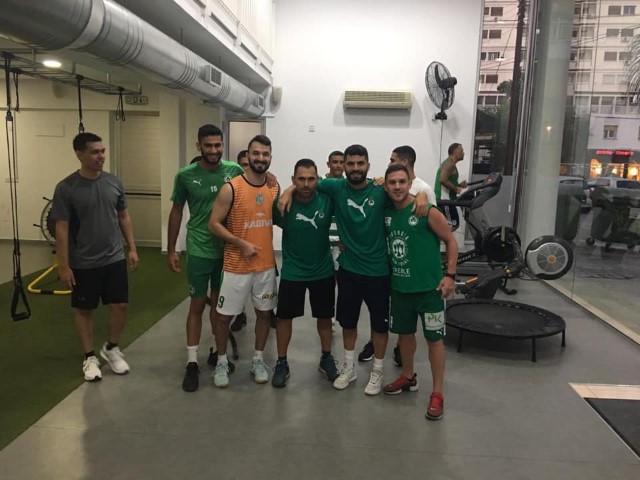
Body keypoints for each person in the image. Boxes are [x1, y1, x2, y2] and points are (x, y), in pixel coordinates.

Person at [279, 144, 429, 396]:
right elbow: (307, 183)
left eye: (360, 163)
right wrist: (288, 191)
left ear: (368, 165)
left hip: (378, 272)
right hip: (348, 270)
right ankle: (349, 368)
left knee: (379, 327)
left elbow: (405, 194)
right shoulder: (335, 186)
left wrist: (422, 195)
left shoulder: (380, 190)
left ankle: (377, 371)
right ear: (344, 166)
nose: (355, 168)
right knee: (347, 323)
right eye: (351, 163)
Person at [51, 132, 138, 382]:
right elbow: (61, 228)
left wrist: (132, 248)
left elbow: (123, 216)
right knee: (84, 310)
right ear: (80, 154)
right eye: (94, 152)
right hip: (84, 261)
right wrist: (64, 265)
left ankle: (111, 348)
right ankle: (89, 357)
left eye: (102, 151)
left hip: (114, 257)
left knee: (120, 306)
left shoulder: (113, 182)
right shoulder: (66, 188)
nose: (101, 156)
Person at [167, 124, 244, 392]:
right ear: (198, 146)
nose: (213, 150)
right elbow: (176, 211)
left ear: (223, 145)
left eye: (217, 145)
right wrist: (172, 249)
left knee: (220, 308)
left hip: (227, 251)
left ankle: (215, 351)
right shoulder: (185, 175)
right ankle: (191, 362)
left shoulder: (234, 171)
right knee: (197, 305)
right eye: (208, 145)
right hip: (199, 249)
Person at [381, 163, 458, 421]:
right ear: (386, 186)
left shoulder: (426, 210)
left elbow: (451, 240)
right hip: (400, 289)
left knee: (434, 340)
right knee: (404, 336)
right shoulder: (386, 212)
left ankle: (437, 393)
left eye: (402, 182)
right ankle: (408, 376)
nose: (397, 187)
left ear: (409, 183)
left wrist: (450, 276)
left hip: (430, 291)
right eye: (392, 182)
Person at [209, 134, 280, 388]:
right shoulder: (231, 188)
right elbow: (213, 224)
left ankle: (258, 360)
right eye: (256, 153)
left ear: (270, 157)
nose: (261, 158)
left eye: (265, 154)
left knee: (264, 314)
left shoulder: (273, 187)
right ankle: (221, 361)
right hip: (236, 266)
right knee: (223, 318)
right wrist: (240, 243)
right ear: (248, 156)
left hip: (265, 266)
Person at [358, 145, 437, 366]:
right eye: (392, 182)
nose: (397, 185)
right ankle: (376, 343)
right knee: (387, 312)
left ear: (404, 163)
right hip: (393, 266)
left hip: (419, 272)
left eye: (392, 159)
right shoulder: (386, 184)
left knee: (414, 326)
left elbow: (432, 224)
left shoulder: (424, 189)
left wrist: (422, 196)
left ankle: (399, 351)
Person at [270, 159, 339, 387]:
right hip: (293, 271)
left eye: (311, 179)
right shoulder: (282, 204)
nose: (306, 184)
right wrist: (286, 192)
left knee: (324, 317)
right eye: (301, 179)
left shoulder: (327, 200)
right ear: (293, 179)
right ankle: (282, 362)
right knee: (284, 318)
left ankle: (326, 357)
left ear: (318, 179)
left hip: (322, 269)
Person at [229, 148, 251, 333]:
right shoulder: (231, 188)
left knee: (265, 285)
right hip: (237, 245)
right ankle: (240, 313)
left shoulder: (268, 185)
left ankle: (269, 312)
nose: (247, 168)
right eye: (244, 165)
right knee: (239, 285)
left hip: (260, 244)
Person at [434, 142, 468, 231]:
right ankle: (441, 239)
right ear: (456, 152)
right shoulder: (449, 164)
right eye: (461, 151)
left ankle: (442, 239)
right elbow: (442, 180)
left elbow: (447, 181)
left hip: (446, 200)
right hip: (444, 200)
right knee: (452, 225)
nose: (463, 153)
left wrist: (459, 185)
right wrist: (456, 189)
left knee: (451, 225)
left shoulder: (451, 164)